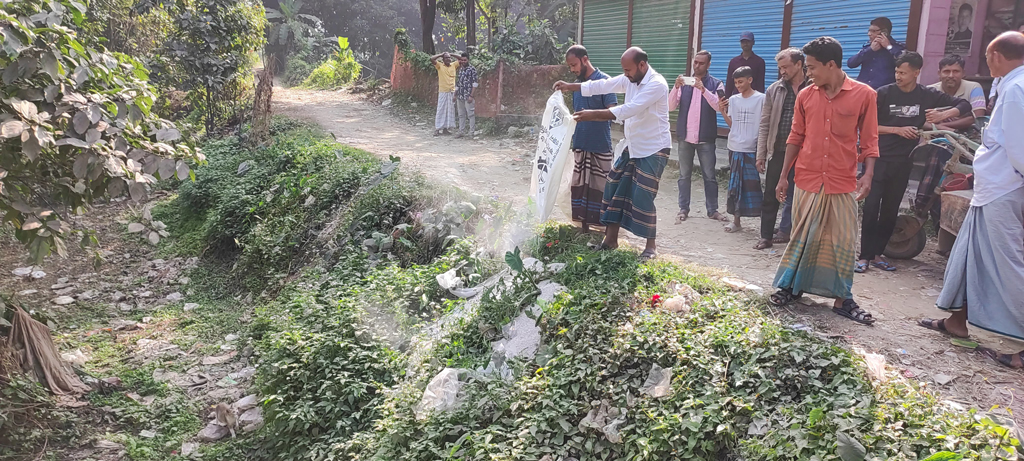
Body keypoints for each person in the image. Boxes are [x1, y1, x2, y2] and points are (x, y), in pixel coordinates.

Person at [918, 31, 1024, 369]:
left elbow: (1019, 148)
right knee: (969, 255)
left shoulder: (1017, 89)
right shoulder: (1007, 84)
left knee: (1008, 264)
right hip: (992, 185)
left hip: (1006, 187)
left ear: (994, 56)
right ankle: (956, 321)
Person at [770, 36, 880, 325]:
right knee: (802, 236)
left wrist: (868, 174)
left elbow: (869, 140)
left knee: (842, 241)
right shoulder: (806, 96)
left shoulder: (864, 94)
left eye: (812, 68)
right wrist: (783, 176)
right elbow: (795, 137)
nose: (808, 74)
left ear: (831, 65)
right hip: (806, 177)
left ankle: (843, 300)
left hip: (842, 181)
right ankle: (790, 288)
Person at [857, 51, 972, 273]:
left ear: (916, 73)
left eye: (903, 72)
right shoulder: (883, 94)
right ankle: (864, 256)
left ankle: (879, 254)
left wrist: (944, 115)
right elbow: (866, 126)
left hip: (904, 162)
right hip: (877, 159)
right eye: (897, 71)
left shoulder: (927, 95)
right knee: (871, 208)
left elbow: (964, 105)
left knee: (891, 209)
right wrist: (896, 130)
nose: (898, 76)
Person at [553, 47, 672, 260]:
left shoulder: (657, 84)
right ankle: (610, 240)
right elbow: (604, 84)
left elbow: (629, 109)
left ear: (642, 65)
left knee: (643, 194)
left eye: (628, 69)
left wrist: (593, 114)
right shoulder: (630, 78)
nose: (625, 74)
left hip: (654, 148)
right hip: (633, 146)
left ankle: (651, 246)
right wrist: (571, 86)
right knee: (613, 187)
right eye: (624, 70)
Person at [914, 54, 987, 224]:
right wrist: (944, 128)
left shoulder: (973, 87)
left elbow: (977, 117)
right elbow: (920, 120)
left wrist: (944, 122)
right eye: (946, 71)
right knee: (936, 160)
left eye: (956, 71)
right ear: (939, 73)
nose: (951, 75)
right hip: (940, 138)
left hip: (968, 139)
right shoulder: (929, 90)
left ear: (963, 73)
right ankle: (924, 207)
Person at [755, 48, 809, 250]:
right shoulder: (775, 90)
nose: (782, 71)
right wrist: (761, 154)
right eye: (780, 68)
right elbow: (765, 123)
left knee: (801, 196)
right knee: (771, 193)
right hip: (778, 149)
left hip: (805, 152)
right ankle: (766, 236)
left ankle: (796, 238)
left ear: (799, 64)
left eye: (785, 67)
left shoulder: (813, 87)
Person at [669, 50, 727, 223]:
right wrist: (676, 86)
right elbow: (671, 106)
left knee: (709, 176)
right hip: (685, 137)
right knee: (684, 175)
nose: (697, 66)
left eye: (701, 63)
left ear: (708, 65)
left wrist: (703, 89)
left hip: (705, 138)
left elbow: (719, 107)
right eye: (695, 62)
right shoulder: (685, 83)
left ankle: (712, 210)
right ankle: (683, 209)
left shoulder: (717, 84)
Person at [564, 45, 618, 233]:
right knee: (580, 185)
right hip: (580, 142)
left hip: (600, 144)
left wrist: (591, 115)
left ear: (585, 59)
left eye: (574, 65)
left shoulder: (605, 82)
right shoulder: (576, 86)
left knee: (601, 186)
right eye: (570, 67)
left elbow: (613, 111)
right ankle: (583, 226)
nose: (572, 70)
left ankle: (605, 229)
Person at [720, 66, 765, 233]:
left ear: (750, 80)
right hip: (735, 146)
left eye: (741, 82)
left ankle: (763, 222)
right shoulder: (733, 100)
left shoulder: (761, 99)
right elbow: (732, 124)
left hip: (752, 147)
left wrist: (763, 149)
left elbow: (764, 125)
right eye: (736, 83)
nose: (738, 85)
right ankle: (736, 220)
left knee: (753, 185)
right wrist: (723, 111)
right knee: (735, 185)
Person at [848, 17, 906, 89]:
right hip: (863, 90)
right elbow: (851, 63)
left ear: (884, 32)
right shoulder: (867, 47)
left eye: (873, 31)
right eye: (869, 31)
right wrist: (870, 50)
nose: (869, 34)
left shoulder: (897, 47)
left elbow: (904, 62)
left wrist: (888, 47)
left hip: (884, 92)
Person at [725, 31, 767, 97]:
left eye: (748, 41)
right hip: (737, 98)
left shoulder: (759, 62)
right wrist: (727, 99)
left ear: (753, 42)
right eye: (743, 42)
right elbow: (729, 84)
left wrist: (760, 100)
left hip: (753, 98)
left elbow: (760, 84)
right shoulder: (733, 62)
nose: (745, 44)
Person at [429, 52, 460, 136]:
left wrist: (451, 54)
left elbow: (461, 59)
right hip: (443, 91)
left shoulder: (454, 65)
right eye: (446, 58)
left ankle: (446, 129)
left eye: (449, 58)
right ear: (443, 59)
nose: (448, 59)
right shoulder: (439, 66)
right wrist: (441, 54)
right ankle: (437, 129)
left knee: (450, 111)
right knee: (441, 110)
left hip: (452, 91)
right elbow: (432, 59)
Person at [454, 52, 478, 138]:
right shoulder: (460, 70)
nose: (463, 61)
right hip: (460, 95)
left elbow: (475, 83)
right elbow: (458, 83)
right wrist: (455, 95)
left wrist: (471, 95)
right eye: (462, 60)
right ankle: (461, 131)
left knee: (470, 114)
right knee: (461, 114)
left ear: (468, 60)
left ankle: (471, 132)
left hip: (468, 96)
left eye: (465, 60)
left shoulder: (472, 69)